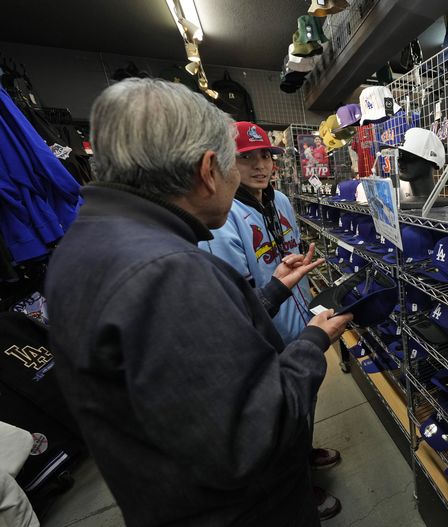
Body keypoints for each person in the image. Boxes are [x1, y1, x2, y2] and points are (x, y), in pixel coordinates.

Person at [44, 78, 352, 527]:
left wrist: (272, 291)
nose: (250, 171)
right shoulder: (166, 271)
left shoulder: (94, 239)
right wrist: (311, 343)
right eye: (235, 162)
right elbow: (257, 433)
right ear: (209, 169)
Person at [199, 121, 343, 519]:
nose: (261, 165)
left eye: (265, 155)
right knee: (277, 418)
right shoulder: (224, 216)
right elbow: (241, 296)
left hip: (299, 320)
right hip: (264, 333)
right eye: (247, 158)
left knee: (305, 398)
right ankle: (297, 487)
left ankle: (304, 453)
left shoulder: (279, 199)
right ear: (226, 163)